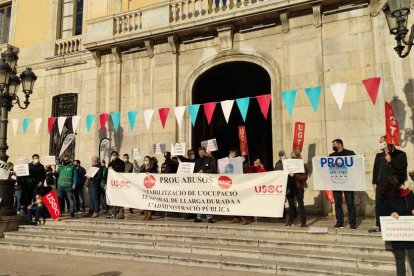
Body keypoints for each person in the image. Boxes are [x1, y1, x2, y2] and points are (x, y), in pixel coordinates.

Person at [370, 135, 407, 233]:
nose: (380, 144)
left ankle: (393, 225)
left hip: (393, 184)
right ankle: (379, 225)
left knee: (392, 204)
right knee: (379, 204)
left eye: (381, 141)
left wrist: (391, 160)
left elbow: (402, 168)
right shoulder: (379, 156)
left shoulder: (400, 154)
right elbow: (375, 170)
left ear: (387, 142)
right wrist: (374, 182)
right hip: (381, 184)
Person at [379, 174, 414, 276]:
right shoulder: (386, 198)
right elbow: (382, 213)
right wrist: (390, 214)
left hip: (410, 232)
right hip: (397, 235)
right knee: (400, 260)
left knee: (413, 257)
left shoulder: (409, 194)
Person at [329, 139, 357, 229]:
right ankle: (339, 222)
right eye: (333, 144)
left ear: (340, 144)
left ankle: (352, 222)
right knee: (337, 203)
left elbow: (356, 164)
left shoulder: (349, 153)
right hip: (336, 182)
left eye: (335, 144)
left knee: (350, 203)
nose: (333, 146)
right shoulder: (331, 156)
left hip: (348, 182)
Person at [285, 150, 308, 228]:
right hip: (290, 187)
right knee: (291, 205)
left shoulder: (302, 166)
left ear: (298, 157)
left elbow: (304, 177)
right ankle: (290, 221)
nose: (292, 158)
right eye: (291, 157)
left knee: (301, 205)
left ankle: (303, 223)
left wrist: (294, 175)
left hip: (298, 187)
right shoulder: (289, 165)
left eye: (294, 157)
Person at [194, 147, 216, 223]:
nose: (201, 153)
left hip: (208, 184)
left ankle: (209, 217)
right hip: (198, 184)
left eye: (202, 151)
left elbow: (213, 170)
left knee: (207, 200)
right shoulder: (197, 161)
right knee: (199, 200)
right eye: (200, 152)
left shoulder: (210, 159)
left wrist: (204, 171)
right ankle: (199, 217)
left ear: (205, 152)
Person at [106, 151, 126, 219]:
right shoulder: (110, 163)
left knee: (120, 198)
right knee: (112, 198)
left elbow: (121, 171)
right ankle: (112, 213)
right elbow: (108, 174)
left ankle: (121, 213)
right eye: (112, 155)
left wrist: (113, 169)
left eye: (115, 155)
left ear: (117, 155)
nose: (113, 156)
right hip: (111, 183)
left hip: (119, 182)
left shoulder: (121, 162)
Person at [140, 156, 158, 220]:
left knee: (149, 200)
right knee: (144, 200)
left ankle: (149, 215)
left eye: (147, 160)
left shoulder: (153, 167)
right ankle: (145, 214)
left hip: (150, 186)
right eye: (145, 160)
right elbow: (140, 174)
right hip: (144, 186)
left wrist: (150, 174)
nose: (146, 161)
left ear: (150, 161)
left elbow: (156, 175)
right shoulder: (142, 167)